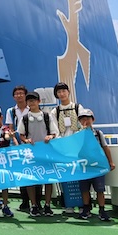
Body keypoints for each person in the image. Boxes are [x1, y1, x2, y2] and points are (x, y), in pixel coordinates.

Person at [17, 91, 58, 217]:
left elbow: (54, 132)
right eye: (29, 101)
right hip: (31, 152)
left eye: (34, 100)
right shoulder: (24, 118)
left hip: (46, 152)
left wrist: (50, 136)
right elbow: (21, 135)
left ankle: (47, 205)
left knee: (48, 179)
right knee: (31, 179)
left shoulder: (47, 116)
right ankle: (34, 205)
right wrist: (26, 140)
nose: (31, 102)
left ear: (39, 101)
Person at [77, 109, 116, 221]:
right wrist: (83, 133)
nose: (86, 121)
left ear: (93, 120)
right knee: (84, 189)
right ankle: (86, 209)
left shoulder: (98, 133)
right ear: (79, 121)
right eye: (83, 119)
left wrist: (111, 161)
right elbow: (75, 148)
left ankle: (102, 210)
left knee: (100, 189)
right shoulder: (77, 134)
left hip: (97, 165)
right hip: (84, 166)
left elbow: (105, 147)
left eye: (88, 118)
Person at [50, 82, 83, 213]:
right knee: (66, 175)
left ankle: (82, 204)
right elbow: (54, 129)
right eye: (59, 92)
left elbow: (83, 124)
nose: (62, 94)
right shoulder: (55, 111)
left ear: (68, 92)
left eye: (64, 91)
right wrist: (61, 143)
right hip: (63, 147)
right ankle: (68, 204)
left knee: (79, 174)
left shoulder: (77, 107)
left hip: (77, 146)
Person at [5, 85, 30, 211]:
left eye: (21, 93)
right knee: (21, 173)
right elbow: (10, 128)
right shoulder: (11, 111)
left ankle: (36, 201)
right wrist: (15, 142)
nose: (19, 95)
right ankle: (25, 201)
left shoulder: (31, 109)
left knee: (33, 171)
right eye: (16, 93)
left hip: (31, 144)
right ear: (14, 97)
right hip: (16, 145)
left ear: (26, 95)